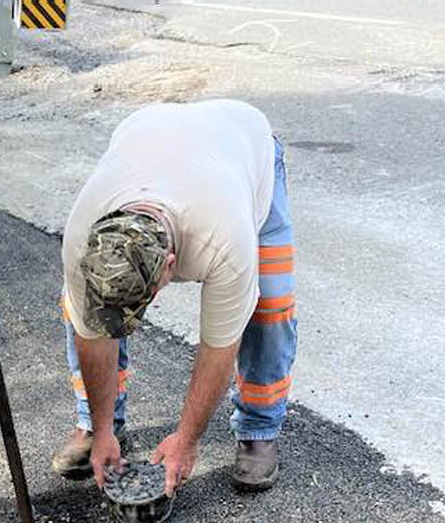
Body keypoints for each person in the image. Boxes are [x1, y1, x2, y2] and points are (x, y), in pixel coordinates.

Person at [53, 100, 297, 496]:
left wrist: (187, 439)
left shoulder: (223, 240)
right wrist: (101, 433)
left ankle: (259, 428)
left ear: (170, 266)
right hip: (150, 132)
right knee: (78, 310)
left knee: (269, 304)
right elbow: (92, 332)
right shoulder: (83, 238)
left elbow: (218, 347)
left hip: (245, 147)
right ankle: (96, 424)